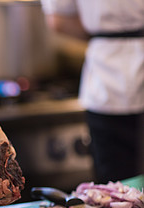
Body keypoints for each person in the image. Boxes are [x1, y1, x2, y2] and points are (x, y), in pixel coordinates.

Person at [41, 0, 144, 183]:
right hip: (104, 81)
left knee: (114, 192)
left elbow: (59, 20)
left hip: (105, 77)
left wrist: (107, 34)